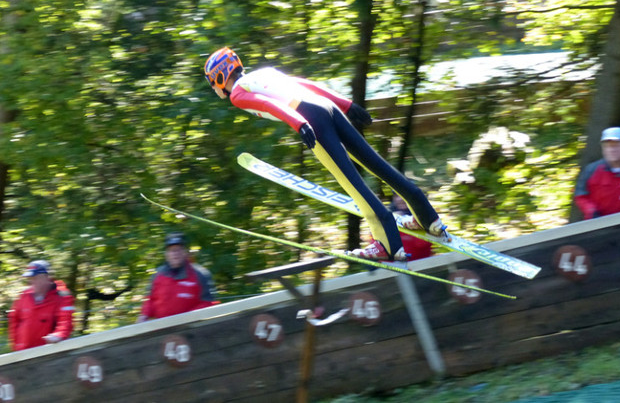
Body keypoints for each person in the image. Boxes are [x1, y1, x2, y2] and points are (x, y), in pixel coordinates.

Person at [204, 47, 449, 263]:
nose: (214, 87)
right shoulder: (263, 73)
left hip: (309, 117)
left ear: (220, 76)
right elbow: (306, 83)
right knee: (376, 164)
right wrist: (346, 104)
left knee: (351, 183)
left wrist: (298, 123)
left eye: (212, 81)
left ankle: (387, 245)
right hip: (325, 106)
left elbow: (269, 105)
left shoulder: (237, 94)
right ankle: (428, 219)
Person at [138, 232, 219, 321]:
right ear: (166, 254)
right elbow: (150, 300)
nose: (175, 253)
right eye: (171, 250)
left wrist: (185, 320)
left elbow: (209, 303)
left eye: (178, 249)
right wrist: (144, 315)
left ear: (185, 252)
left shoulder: (200, 274)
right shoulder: (157, 275)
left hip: (192, 329)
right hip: (161, 330)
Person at [574, 127, 620, 219]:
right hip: (598, 226)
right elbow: (581, 195)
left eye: (616, 145)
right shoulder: (591, 170)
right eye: (607, 146)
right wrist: (591, 210)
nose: (611, 149)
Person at [8, 260, 75, 351]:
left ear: (47, 277)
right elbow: (14, 320)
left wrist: (58, 335)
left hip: (46, 354)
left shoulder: (62, 296)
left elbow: (65, 321)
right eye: (30, 278)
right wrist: (16, 346)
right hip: (22, 353)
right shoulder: (24, 296)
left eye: (35, 278)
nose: (32, 282)